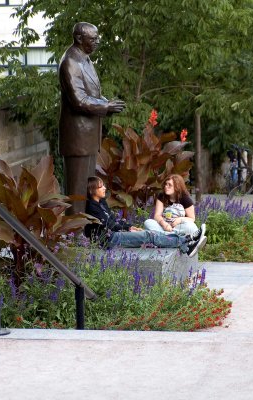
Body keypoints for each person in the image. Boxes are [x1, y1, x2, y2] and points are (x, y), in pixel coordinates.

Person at [59, 22, 126, 214]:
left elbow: (92, 93)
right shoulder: (71, 62)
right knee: (77, 190)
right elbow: (79, 100)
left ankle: (88, 231)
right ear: (79, 39)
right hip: (77, 136)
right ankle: (74, 234)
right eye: (93, 38)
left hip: (88, 135)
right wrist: (105, 106)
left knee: (88, 187)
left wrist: (106, 103)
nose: (97, 42)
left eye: (97, 38)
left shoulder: (85, 59)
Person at [84, 176, 207, 257]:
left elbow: (113, 221)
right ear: (92, 190)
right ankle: (187, 241)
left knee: (151, 234)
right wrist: (127, 229)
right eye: (101, 186)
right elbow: (109, 225)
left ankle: (189, 240)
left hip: (114, 235)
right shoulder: (92, 207)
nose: (105, 188)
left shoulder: (102, 203)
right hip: (109, 240)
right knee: (149, 234)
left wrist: (130, 227)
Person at [144, 174, 206, 239]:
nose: (166, 186)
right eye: (166, 184)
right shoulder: (161, 196)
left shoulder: (185, 199)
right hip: (163, 226)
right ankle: (174, 237)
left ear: (177, 187)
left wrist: (180, 220)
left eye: (169, 185)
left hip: (178, 226)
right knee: (148, 222)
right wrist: (164, 224)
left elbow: (192, 218)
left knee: (191, 227)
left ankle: (164, 236)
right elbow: (157, 215)